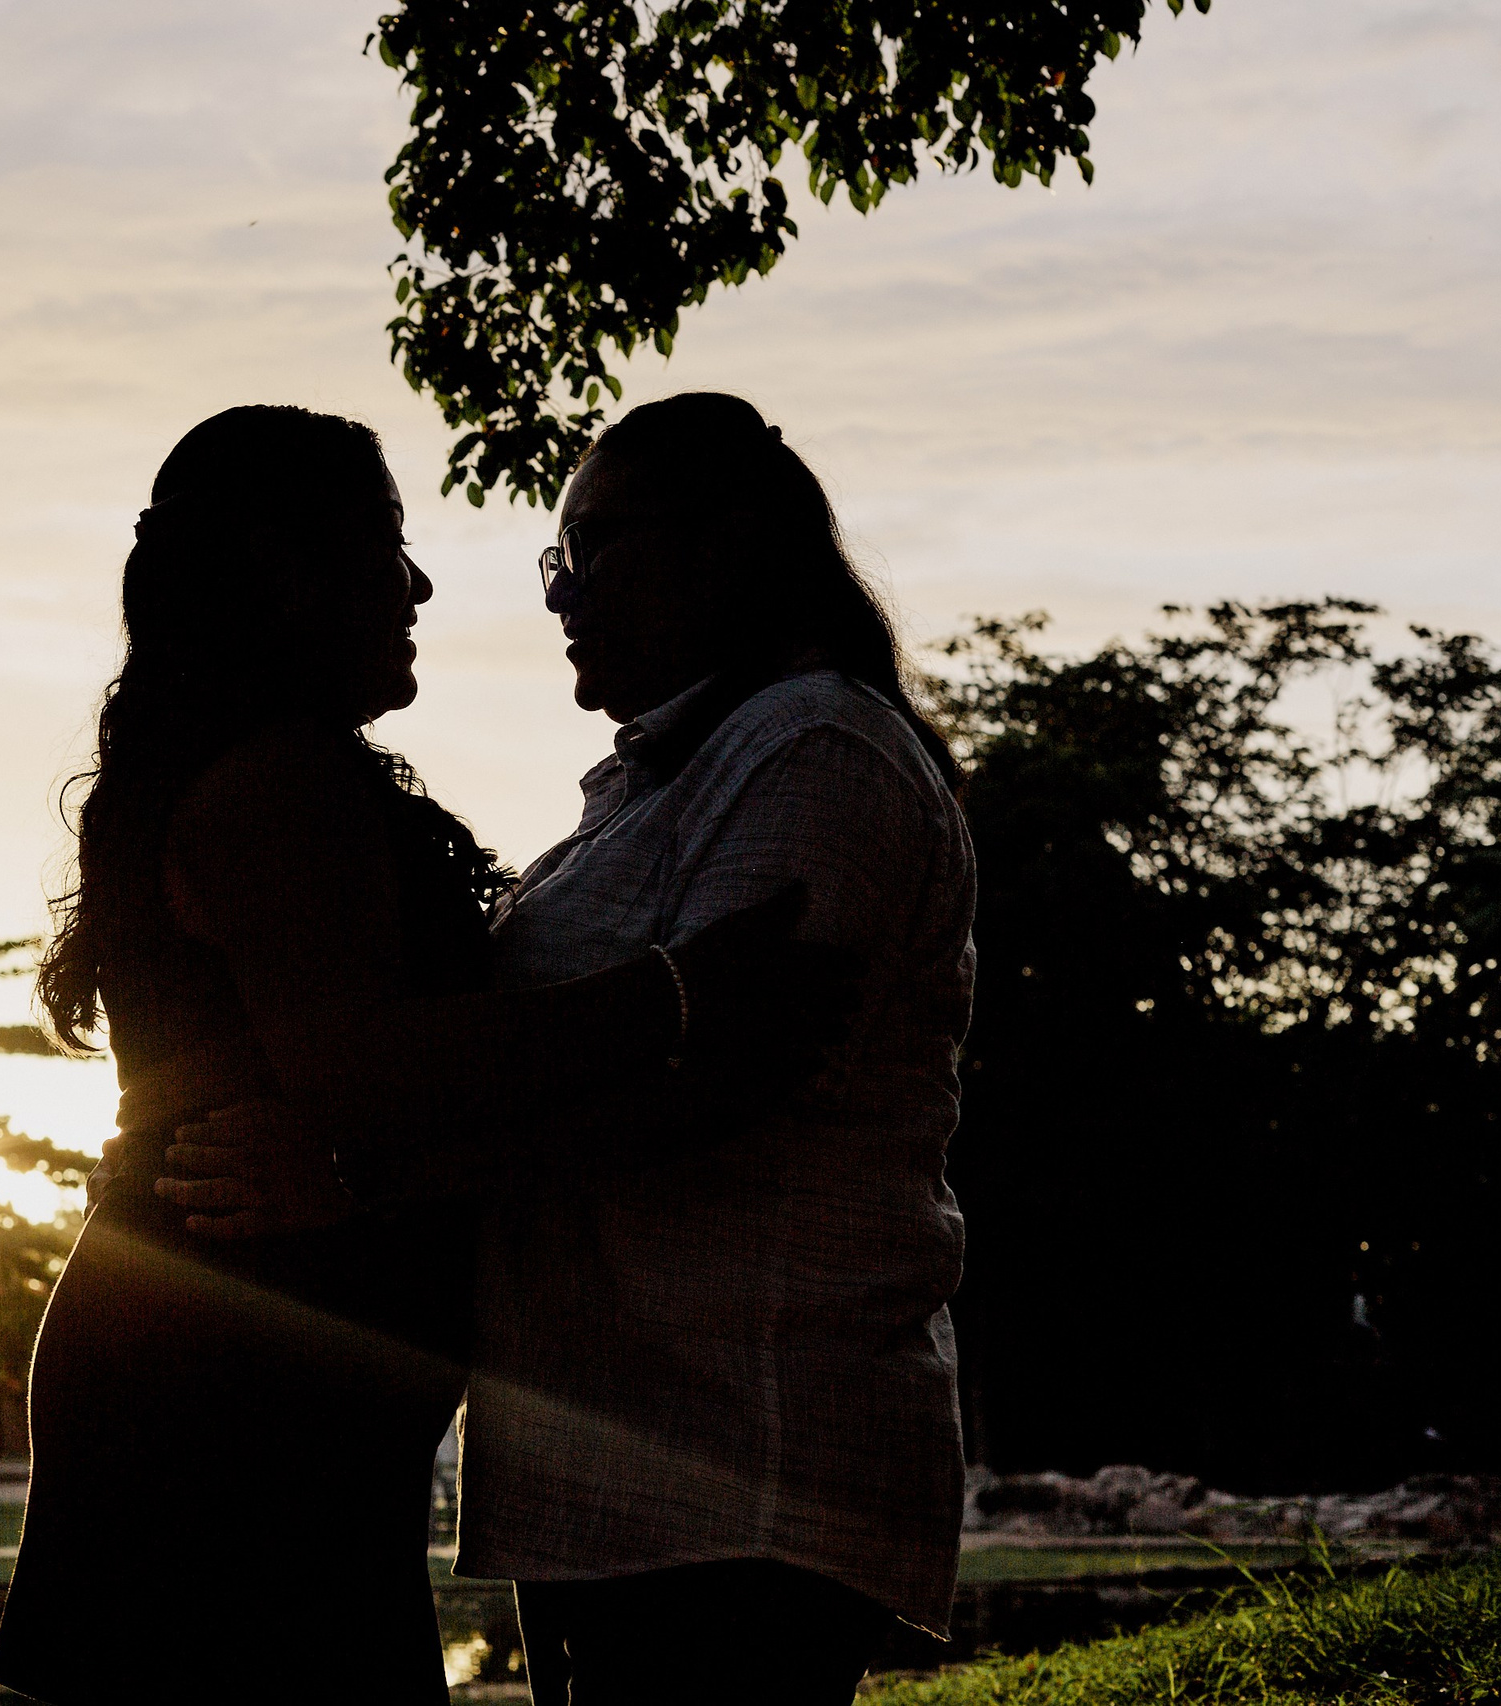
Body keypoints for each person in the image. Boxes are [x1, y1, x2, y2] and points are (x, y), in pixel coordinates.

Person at [0, 404, 842, 1705]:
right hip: (234, 1390)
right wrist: (677, 995)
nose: (422, 583)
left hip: (256, 1372)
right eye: (390, 543)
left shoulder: (266, 770)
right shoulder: (274, 781)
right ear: (288, 570)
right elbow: (369, 1069)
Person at [162, 392, 977, 1704]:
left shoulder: (812, 748)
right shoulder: (668, 777)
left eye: (587, 550)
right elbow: (634, 1032)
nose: (557, 595)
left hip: (730, 1456)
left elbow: (724, 1079)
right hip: (621, 1468)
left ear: (718, 549)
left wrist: (364, 1178)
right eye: (557, 561)